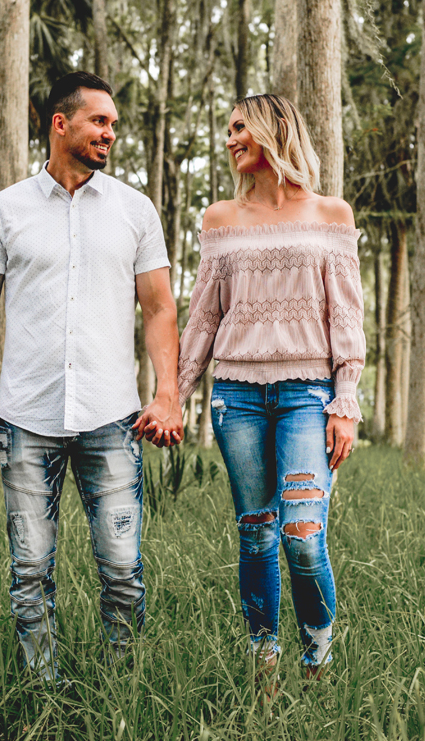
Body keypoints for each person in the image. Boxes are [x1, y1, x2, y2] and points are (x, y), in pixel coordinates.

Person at [0, 71, 183, 682]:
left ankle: (120, 690)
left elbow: (160, 307)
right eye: (99, 122)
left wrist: (167, 394)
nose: (111, 133)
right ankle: (42, 692)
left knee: (123, 570)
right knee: (29, 571)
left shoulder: (135, 212)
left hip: (112, 417)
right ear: (61, 124)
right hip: (26, 418)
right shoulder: (2, 211)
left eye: (113, 124)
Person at [176, 94, 364, 688]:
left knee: (303, 537)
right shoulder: (218, 219)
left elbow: (347, 317)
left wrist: (346, 399)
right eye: (227, 129)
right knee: (256, 533)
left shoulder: (331, 214)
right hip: (237, 395)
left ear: (272, 131)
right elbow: (205, 315)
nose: (230, 139)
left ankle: (318, 663)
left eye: (239, 128)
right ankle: (264, 665)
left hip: (310, 396)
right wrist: (174, 394)